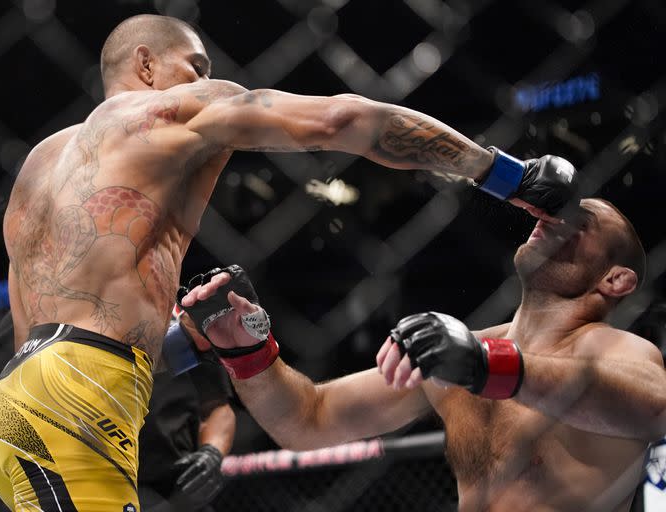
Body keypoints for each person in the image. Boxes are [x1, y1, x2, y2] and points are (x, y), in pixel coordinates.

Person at [0, 12, 579, 511]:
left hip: (14, 407)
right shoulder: (175, 111)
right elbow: (344, 120)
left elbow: (47, 334)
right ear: (145, 65)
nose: (207, 79)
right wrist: (506, 174)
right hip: (79, 399)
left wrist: (191, 344)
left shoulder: (40, 163)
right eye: (195, 65)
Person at [178, 198, 666, 512]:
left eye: (580, 222)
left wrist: (492, 365)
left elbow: (656, 408)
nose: (552, 217)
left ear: (615, 279)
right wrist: (248, 351)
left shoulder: (615, 350)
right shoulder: (456, 354)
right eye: (553, 210)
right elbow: (309, 420)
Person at [0, 311, 234, 511]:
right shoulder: (47, 309)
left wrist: (212, 452)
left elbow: (218, 407)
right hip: (78, 486)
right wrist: (30, 445)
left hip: (172, 490)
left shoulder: (181, 319)